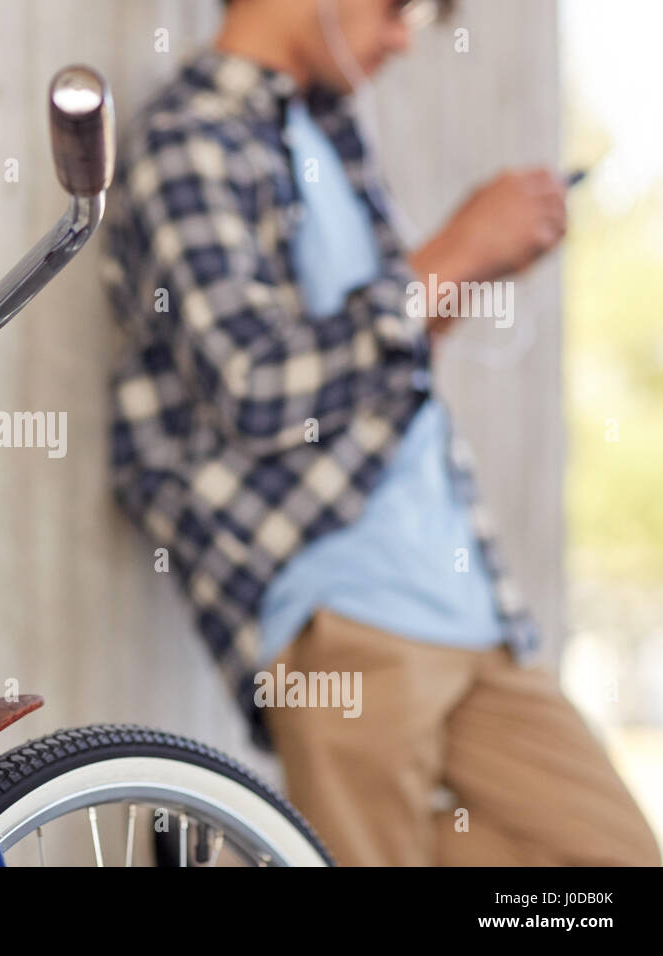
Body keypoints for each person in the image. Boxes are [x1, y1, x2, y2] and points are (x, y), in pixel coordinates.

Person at [102, 0, 660, 865]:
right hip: (341, 616)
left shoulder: (326, 128)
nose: (404, 38)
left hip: (469, 607)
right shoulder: (191, 137)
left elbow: (370, 372)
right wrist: (457, 252)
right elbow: (253, 386)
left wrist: (470, 269)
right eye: (399, 9)